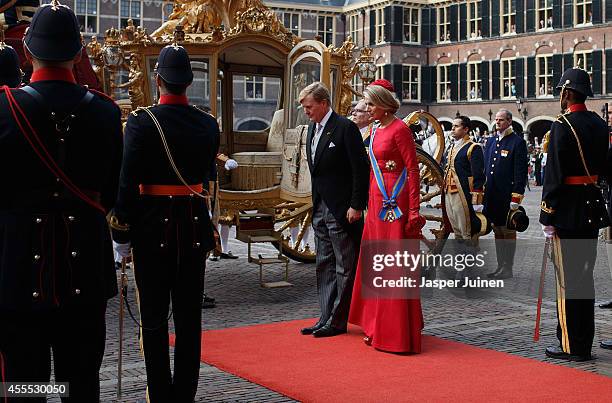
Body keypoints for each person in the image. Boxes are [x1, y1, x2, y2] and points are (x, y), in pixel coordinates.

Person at [0, 2, 123, 400]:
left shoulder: (5, 107)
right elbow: (113, 193)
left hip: (18, 270)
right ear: (78, 53)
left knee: (23, 385)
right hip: (84, 269)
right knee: (81, 384)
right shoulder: (105, 113)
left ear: (28, 51)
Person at [110, 44, 219, 401]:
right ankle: (185, 394)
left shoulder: (142, 122)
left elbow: (127, 182)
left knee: (154, 318)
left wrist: (120, 230)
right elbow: (205, 175)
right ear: (188, 83)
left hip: (152, 225)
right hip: (192, 226)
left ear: (158, 80)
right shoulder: (207, 124)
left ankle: (159, 393)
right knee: (189, 320)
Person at [349, 79, 425, 353]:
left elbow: (413, 170)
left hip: (396, 201)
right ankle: (375, 324)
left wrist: (414, 210)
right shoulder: (376, 128)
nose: (366, 108)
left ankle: (395, 331)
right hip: (377, 202)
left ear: (382, 105)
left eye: (370, 103)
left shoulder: (400, 129)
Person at [540, 67, 609, 361]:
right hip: (591, 210)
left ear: (566, 93)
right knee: (585, 278)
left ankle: (572, 345)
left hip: (567, 212)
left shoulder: (562, 124)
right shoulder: (598, 123)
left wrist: (547, 215)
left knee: (568, 282)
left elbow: (554, 175)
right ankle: (584, 340)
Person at [299, 81, 369, 338]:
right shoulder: (311, 129)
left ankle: (338, 320)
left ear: (323, 103)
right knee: (324, 263)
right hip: (319, 206)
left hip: (341, 209)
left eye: (309, 106)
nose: (306, 111)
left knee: (344, 265)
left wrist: (356, 205)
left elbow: (360, 169)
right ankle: (325, 316)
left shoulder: (345, 128)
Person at [483, 109, 528, 279]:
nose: (497, 123)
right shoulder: (491, 141)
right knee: (496, 230)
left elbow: (520, 172)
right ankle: (500, 265)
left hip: (507, 195)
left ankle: (508, 267)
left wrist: (516, 196)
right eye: (496, 119)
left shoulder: (517, 142)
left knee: (508, 230)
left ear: (509, 121)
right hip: (492, 194)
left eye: (501, 120)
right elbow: (487, 168)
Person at [444, 116, 486, 243]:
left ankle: (469, 259)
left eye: (456, 126)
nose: (452, 128)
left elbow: (478, 175)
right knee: (456, 230)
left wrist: (477, 200)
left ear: (466, 129)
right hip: (449, 192)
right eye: (452, 126)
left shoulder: (473, 147)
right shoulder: (451, 147)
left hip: (463, 193)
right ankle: (460, 259)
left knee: (466, 230)